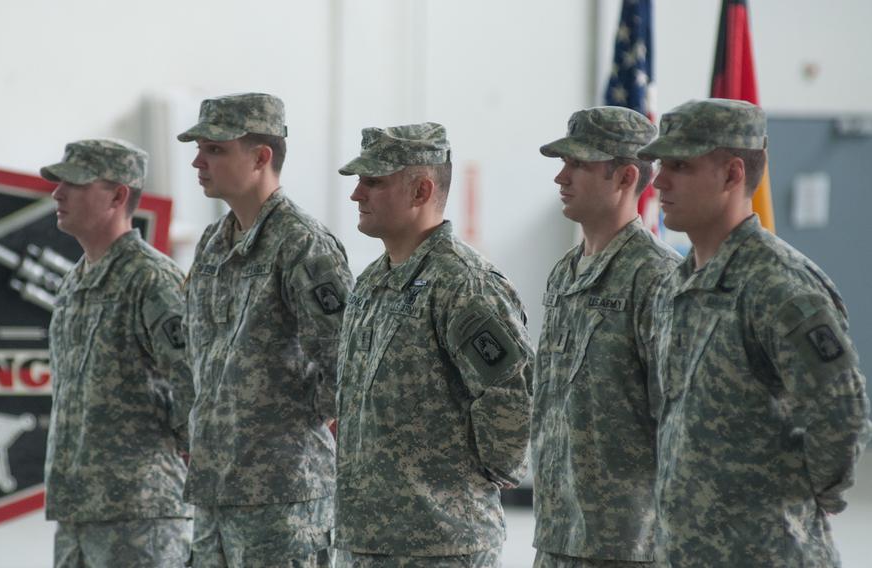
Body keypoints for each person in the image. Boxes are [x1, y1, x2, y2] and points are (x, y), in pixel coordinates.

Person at [638, 98, 871, 567]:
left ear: (731, 174)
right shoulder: (677, 282)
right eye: (661, 164)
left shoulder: (778, 284)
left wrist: (793, 502)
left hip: (766, 553)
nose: (658, 180)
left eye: (680, 165)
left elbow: (841, 414)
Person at [333, 122, 533, 567]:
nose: (356, 194)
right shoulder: (372, 281)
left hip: (440, 543)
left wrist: (466, 490)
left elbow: (510, 398)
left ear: (421, 190)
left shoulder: (464, 284)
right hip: (367, 539)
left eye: (374, 182)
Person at [178, 92, 353, 567]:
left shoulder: (302, 244)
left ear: (261, 157)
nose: (198, 160)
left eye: (215, 149)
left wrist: (292, 418)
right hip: (215, 492)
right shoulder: (214, 242)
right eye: (200, 148)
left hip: (283, 498)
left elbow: (348, 361)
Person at [532, 107, 680, 568]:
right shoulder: (565, 272)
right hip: (559, 532)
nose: (561, 177)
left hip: (627, 544)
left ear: (625, 177)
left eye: (578, 164)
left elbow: (677, 418)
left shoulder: (656, 277)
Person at [42, 138, 194, 567]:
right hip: (77, 515)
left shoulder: (152, 280)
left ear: (117, 195)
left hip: (140, 517)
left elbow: (196, 386)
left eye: (74, 184)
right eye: (59, 183)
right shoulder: (74, 284)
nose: (58, 193)